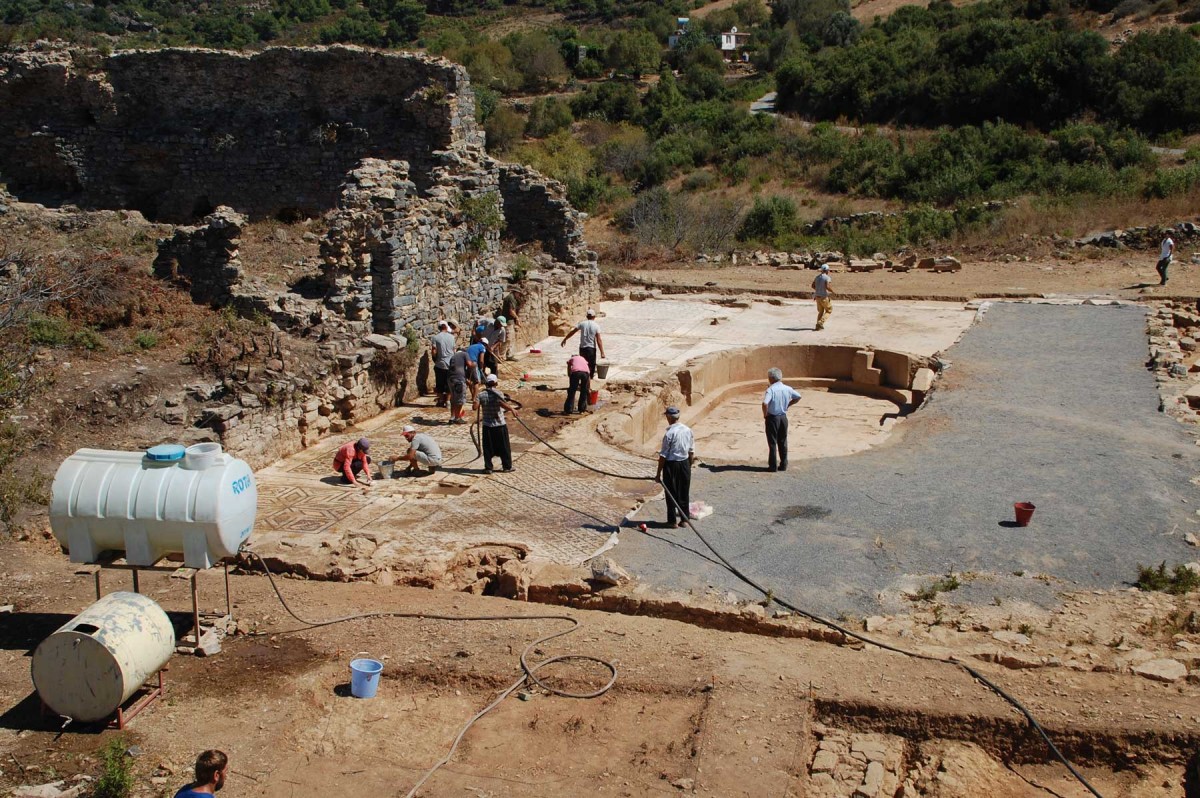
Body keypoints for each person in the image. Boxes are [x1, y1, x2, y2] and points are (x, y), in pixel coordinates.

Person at [655, 406, 694, 528]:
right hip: (684, 463)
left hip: (671, 465)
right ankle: (684, 520)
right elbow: (691, 451)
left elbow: (663, 455)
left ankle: (672, 521)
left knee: (671, 492)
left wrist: (658, 473)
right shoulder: (688, 430)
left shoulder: (669, 434)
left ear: (668, 417)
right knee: (684, 492)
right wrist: (689, 465)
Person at [474, 374, 519, 473]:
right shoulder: (498, 393)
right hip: (499, 424)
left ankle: (488, 468)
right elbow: (502, 404)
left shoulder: (481, 394)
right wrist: (512, 409)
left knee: (487, 447)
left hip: (487, 425)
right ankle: (507, 466)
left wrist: (477, 396)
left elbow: (474, 407)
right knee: (504, 446)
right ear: (496, 383)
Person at [762, 367, 801, 472]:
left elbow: (765, 403)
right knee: (783, 441)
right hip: (783, 418)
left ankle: (773, 466)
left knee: (772, 443)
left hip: (773, 418)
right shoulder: (787, 388)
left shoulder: (771, 390)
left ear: (771, 378)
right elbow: (798, 396)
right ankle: (783, 464)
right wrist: (788, 405)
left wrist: (765, 415)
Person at [560, 308, 606, 378]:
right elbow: (598, 340)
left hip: (582, 348)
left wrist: (565, 338)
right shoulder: (596, 326)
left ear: (587, 316)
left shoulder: (582, 324)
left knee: (583, 365)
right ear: (594, 317)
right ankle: (589, 382)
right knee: (591, 366)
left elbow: (573, 331)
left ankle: (583, 381)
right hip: (591, 349)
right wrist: (602, 352)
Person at [429, 321, 456, 408]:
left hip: (440, 364)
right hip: (450, 364)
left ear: (439, 327)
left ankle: (440, 401)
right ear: (446, 327)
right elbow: (454, 350)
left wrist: (435, 359)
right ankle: (448, 401)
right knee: (449, 383)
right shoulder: (452, 337)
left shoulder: (435, 338)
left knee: (439, 383)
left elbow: (434, 351)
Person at [448, 346, 474, 423]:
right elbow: (469, 364)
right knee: (460, 399)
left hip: (450, 379)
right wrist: (474, 364)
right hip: (458, 380)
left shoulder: (453, 357)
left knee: (453, 398)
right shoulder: (464, 354)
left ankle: (452, 417)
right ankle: (457, 418)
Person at [813, 264, 835, 331]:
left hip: (817, 297)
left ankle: (817, 326)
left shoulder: (817, 277)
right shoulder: (827, 277)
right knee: (829, 310)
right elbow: (827, 286)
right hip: (823, 297)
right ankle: (821, 322)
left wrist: (818, 290)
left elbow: (812, 285)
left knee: (820, 312)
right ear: (827, 270)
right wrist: (833, 291)